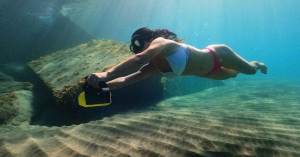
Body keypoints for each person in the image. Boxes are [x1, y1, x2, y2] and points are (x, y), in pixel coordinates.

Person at [87, 27, 267, 90]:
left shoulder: (161, 42)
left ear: (150, 38)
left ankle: (255, 63)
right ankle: (250, 66)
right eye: (133, 46)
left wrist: (106, 74)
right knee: (234, 75)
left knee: (250, 72)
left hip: (217, 54)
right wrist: (101, 87)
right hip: (208, 74)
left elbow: (139, 58)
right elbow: (126, 80)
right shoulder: (151, 67)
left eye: (138, 41)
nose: (137, 48)